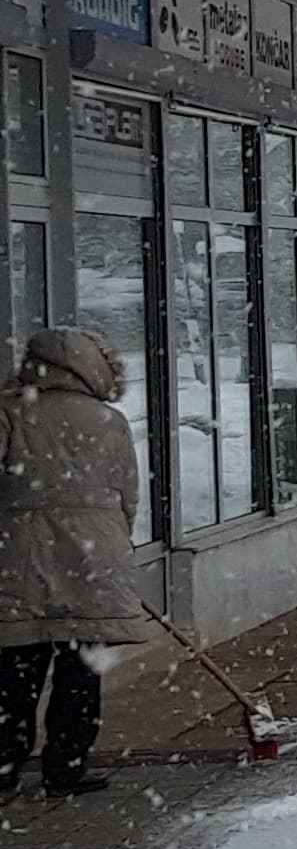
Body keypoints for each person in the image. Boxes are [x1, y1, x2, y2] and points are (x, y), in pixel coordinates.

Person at [0, 328, 147, 797]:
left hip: (21, 559)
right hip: (93, 563)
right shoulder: (108, 420)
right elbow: (127, 494)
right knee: (80, 672)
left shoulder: (10, 412)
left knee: (16, 670)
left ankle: (4, 764)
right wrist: (113, 541)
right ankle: (65, 766)